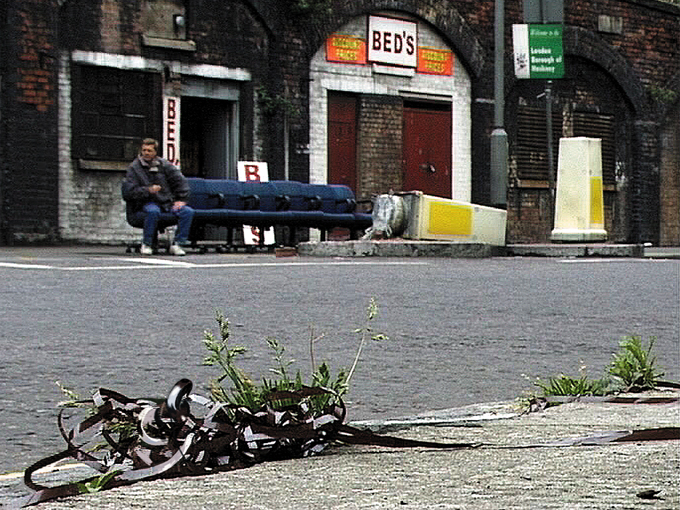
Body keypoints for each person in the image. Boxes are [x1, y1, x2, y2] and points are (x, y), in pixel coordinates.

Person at [122, 138, 194, 255]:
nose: (146, 153)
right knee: (153, 211)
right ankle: (147, 244)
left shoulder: (164, 165)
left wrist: (182, 199)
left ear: (155, 152)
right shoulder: (134, 168)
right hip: (145, 203)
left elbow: (180, 182)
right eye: (144, 150)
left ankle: (178, 244)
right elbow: (128, 191)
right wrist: (148, 190)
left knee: (187, 212)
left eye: (149, 151)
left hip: (166, 203)